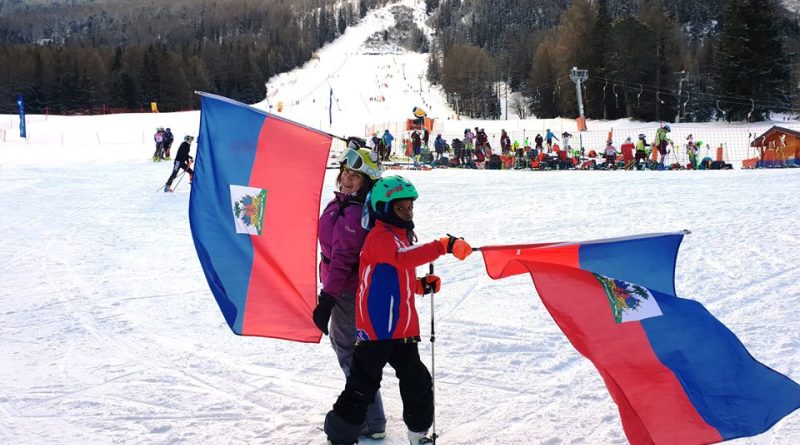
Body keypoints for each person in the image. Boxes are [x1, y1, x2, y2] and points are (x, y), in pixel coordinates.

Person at [322, 176, 472, 445]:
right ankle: (340, 435)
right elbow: (402, 259)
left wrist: (419, 286)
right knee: (362, 385)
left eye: (409, 208)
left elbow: (394, 276)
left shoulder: (401, 238)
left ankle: (418, 435)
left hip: (402, 329)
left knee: (418, 381)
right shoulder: (379, 237)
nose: (407, 213)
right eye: (399, 209)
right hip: (377, 329)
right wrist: (443, 245)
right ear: (383, 208)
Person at [313, 141, 387, 441]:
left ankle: (371, 417)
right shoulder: (343, 204)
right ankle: (371, 412)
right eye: (344, 171)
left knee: (348, 352)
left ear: (366, 182)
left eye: (354, 176)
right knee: (351, 350)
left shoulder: (355, 214)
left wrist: (327, 300)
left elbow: (343, 261)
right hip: (340, 285)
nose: (346, 178)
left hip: (345, 290)